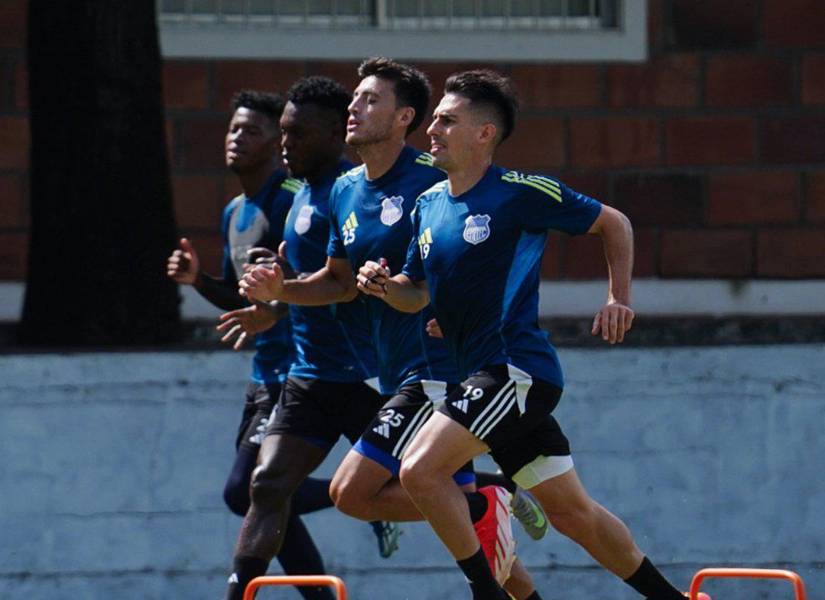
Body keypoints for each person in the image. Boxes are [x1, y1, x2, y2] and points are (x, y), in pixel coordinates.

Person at [356, 69, 711, 600]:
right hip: (480, 379)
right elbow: (416, 292)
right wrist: (385, 286)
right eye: (433, 120)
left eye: (447, 120)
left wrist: (618, 297)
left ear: (484, 134)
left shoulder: (519, 192)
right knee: (574, 515)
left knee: (421, 470)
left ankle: (487, 591)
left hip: (515, 371)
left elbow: (614, 222)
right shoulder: (428, 204)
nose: (432, 129)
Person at [240, 59, 545, 600]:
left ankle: (483, 505)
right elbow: (337, 283)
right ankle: (500, 542)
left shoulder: (437, 175)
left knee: (352, 494)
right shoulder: (344, 190)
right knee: (458, 520)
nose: (354, 108)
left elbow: (490, 241)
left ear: (404, 117)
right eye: (353, 99)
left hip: (439, 373)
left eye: (369, 100)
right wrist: (280, 290)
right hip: (394, 372)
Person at [166, 89, 388, 600]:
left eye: (254, 131)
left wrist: (279, 302)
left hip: (310, 367)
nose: (236, 139)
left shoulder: (301, 195)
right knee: (261, 492)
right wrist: (202, 281)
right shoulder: (236, 212)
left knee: (253, 490)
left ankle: (394, 501)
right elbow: (244, 290)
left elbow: (332, 280)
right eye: (232, 129)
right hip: (269, 371)